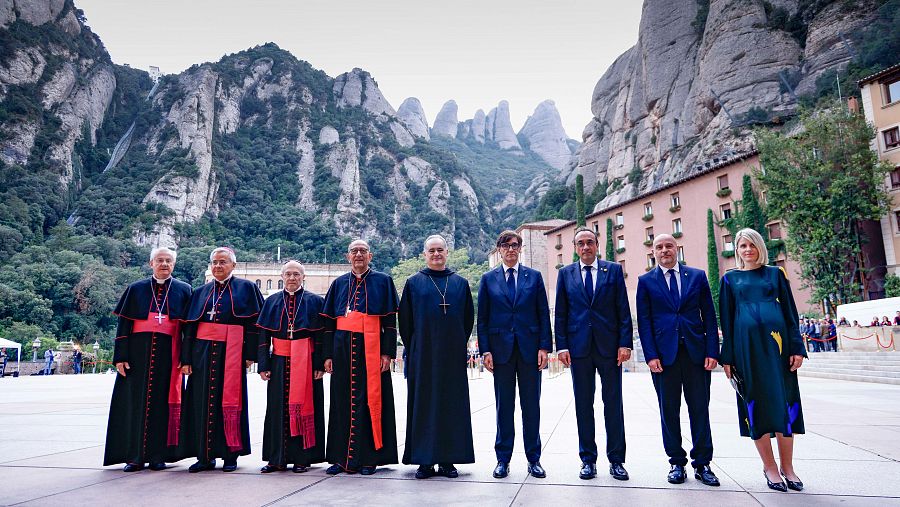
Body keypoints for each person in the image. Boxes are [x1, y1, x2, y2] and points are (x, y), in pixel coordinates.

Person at [719, 228, 806, 493]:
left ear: (760, 248)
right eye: (743, 246)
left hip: (778, 351)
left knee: (784, 404)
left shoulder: (775, 274)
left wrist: (797, 347)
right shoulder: (729, 279)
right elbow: (727, 320)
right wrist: (728, 358)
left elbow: (790, 312)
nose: (748, 250)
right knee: (755, 406)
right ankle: (769, 467)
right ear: (737, 249)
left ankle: (788, 468)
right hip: (747, 353)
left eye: (752, 245)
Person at [636, 234, 720, 487]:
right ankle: (676, 462)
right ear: (653, 252)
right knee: (668, 411)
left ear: (677, 249)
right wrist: (650, 355)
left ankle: (703, 463)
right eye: (659, 247)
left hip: (696, 354)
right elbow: (645, 322)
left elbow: (709, 315)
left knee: (699, 409)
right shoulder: (645, 281)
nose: (664, 251)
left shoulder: (696, 276)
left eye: (668, 246)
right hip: (664, 357)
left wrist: (712, 352)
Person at [104, 247, 192, 472]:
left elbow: (188, 330)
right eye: (160, 260)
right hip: (137, 357)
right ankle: (134, 456)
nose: (164, 264)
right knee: (135, 405)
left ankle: (158, 455)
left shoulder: (184, 290)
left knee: (163, 406)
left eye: (169, 261)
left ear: (174, 265)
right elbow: (124, 325)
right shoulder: (136, 289)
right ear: (151, 263)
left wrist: (186, 358)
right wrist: (120, 356)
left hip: (169, 357)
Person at [554, 227, 632, 481]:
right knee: (583, 405)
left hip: (610, 350)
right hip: (579, 350)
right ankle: (588, 460)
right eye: (580, 243)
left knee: (613, 405)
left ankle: (617, 460)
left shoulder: (614, 270)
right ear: (575, 248)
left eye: (590, 242)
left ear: (597, 245)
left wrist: (625, 343)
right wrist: (562, 346)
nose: (585, 247)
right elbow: (561, 313)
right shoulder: (565, 274)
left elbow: (623, 309)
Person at [180, 247, 264, 473]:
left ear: (233, 265)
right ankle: (204, 456)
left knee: (231, 402)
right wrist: (186, 359)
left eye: (223, 262)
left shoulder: (247, 288)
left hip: (233, 354)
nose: (218, 266)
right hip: (202, 355)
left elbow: (256, 326)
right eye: (214, 262)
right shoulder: (200, 292)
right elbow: (189, 328)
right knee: (201, 403)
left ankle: (230, 455)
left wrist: (250, 356)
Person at [320, 239, 399, 476]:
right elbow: (328, 325)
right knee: (340, 402)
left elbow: (389, 322)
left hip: (371, 349)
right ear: (348, 257)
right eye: (354, 251)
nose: (358, 255)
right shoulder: (338, 283)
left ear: (370, 256)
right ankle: (339, 458)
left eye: (363, 251)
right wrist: (327, 355)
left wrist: (387, 353)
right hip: (342, 350)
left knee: (370, 401)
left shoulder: (383, 281)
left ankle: (369, 458)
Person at [399, 234, 475, 479]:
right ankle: (424, 460)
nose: (436, 254)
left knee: (451, 405)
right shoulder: (413, 283)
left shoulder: (460, 283)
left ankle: (448, 460)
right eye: (431, 250)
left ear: (447, 252)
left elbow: (467, 319)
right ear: (425, 254)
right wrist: (415, 347)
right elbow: (405, 322)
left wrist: (455, 343)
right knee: (423, 405)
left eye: (440, 250)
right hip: (423, 354)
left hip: (452, 356)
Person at [477, 230, 551, 480]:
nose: (511, 249)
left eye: (515, 245)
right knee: (504, 407)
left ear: (520, 249)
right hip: (501, 352)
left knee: (532, 407)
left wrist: (544, 348)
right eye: (506, 246)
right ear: (499, 250)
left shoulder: (535, 277)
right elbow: (483, 319)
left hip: (530, 351)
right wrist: (485, 350)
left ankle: (534, 459)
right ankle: (503, 459)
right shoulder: (488, 279)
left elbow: (543, 314)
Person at [256, 261, 327, 473]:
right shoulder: (273, 301)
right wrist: (263, 364)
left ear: (303, 277)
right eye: (288, 274)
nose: (292, 278)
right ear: (282, 276)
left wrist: (319, 364)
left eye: (296, 274)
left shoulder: (314, 301)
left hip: (306, 361)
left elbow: (321, 336)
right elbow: (263, 336)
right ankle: (276, 458)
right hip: (278, 360)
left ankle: (302, 458)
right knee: (277, 408)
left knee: (306, 407)